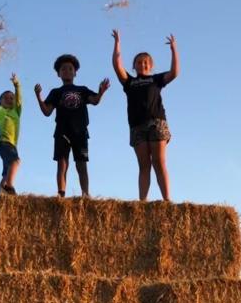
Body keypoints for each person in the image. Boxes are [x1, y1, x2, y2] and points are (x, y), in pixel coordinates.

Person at [111, 30, 179, 201]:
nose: (142, 65)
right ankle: (142, 202)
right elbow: (117, 66)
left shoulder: (156, 79)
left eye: (146, 62)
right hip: (137, 125)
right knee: (144, 165)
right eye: (139, 62)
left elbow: (174, 72)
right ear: (134, 66)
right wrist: (117, 43)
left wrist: (173, 49)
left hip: (157, 122)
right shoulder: (129, 82)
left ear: (151, 65)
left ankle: (166, 200)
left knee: (159, 162)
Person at [34, 54, 109, 197]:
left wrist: (101, 92)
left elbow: (94, 101)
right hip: (62, 131)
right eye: (63, 69)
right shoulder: (56, 92)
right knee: (62, 163)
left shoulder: (82, 89)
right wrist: (39, 97)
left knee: (81, 164)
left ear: (75, 72)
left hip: (80, 131)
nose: (67, 71)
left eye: (70, 68)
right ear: (58, 74)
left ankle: (85, 195)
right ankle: (61, 194)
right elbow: (47, 111)